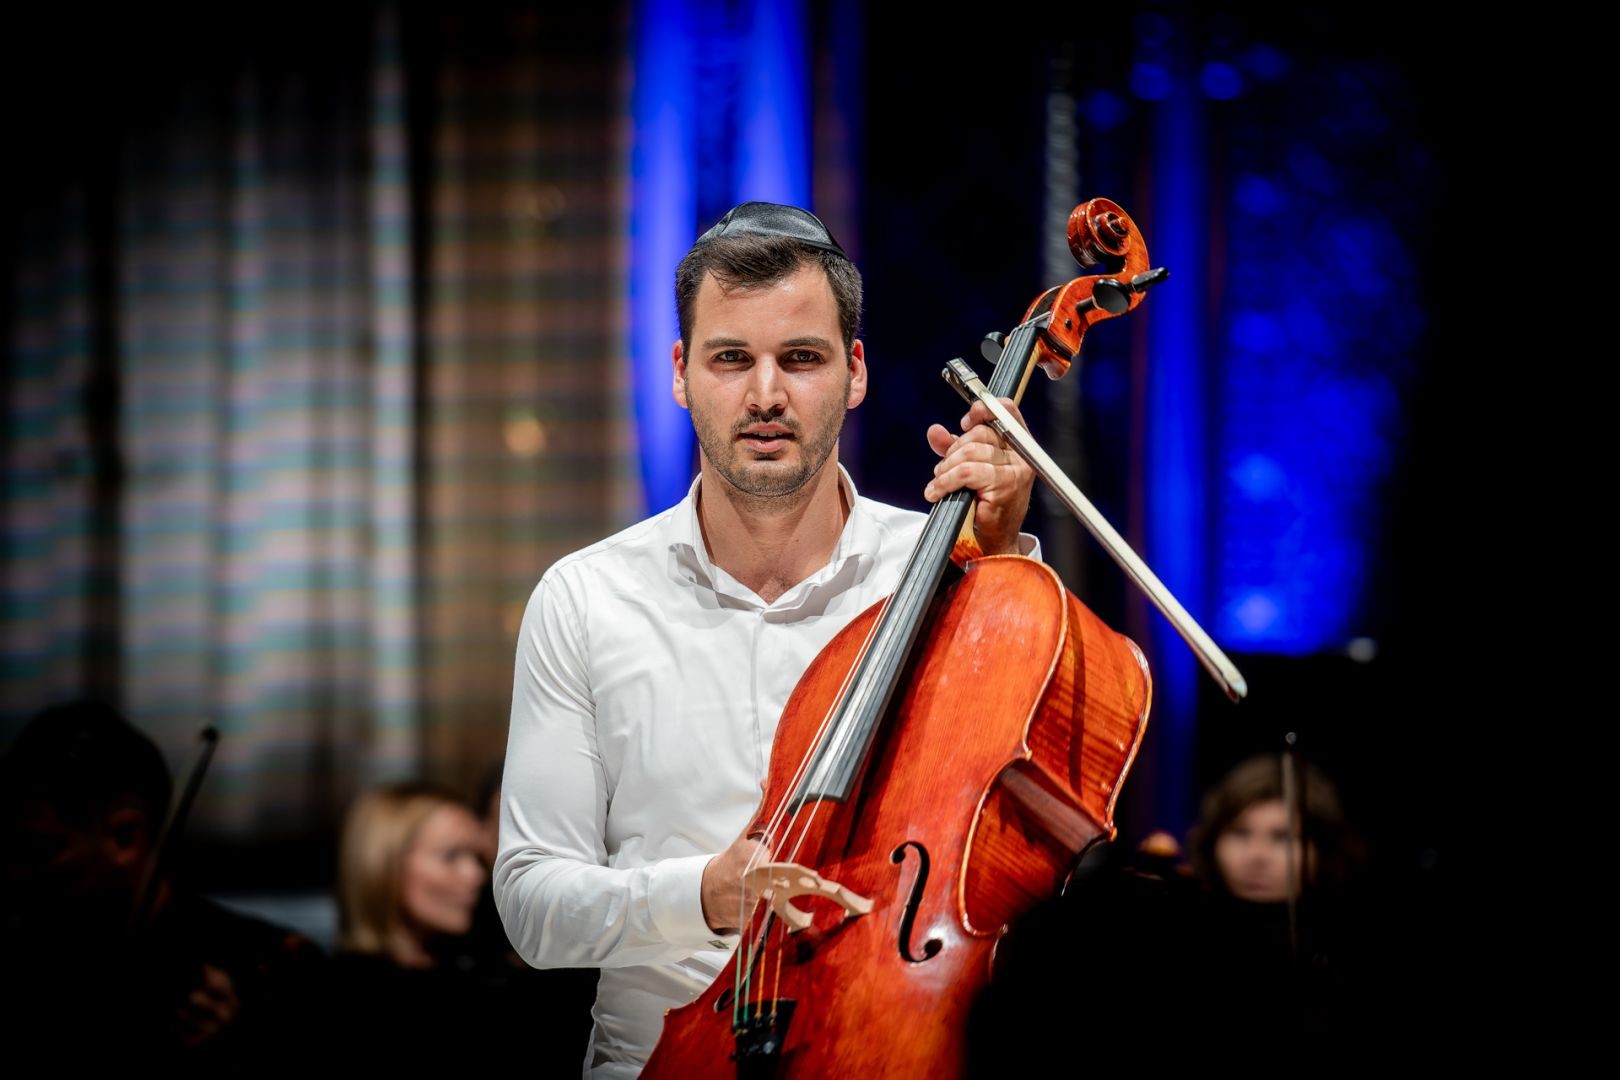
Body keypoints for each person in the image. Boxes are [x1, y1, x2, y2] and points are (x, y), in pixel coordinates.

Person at [495, 201, 1038, 1077]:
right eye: (730, 359)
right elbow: (532, 906)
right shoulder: (585, 599)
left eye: (802, 358)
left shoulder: (947, 575)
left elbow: (1021, 841)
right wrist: (706, 893)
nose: (765, 396)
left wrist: (1000, 562)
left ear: (856, 372)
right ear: (681, 372)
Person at [0, 700, 326, 1066]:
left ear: (126, 838)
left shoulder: (267, 960)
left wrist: (240, 1046)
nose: (13, 875)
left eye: (36, 851)